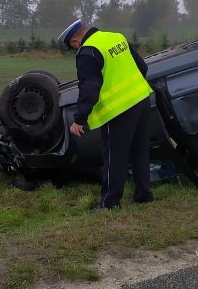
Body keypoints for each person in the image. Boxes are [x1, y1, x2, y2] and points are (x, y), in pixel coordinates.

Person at [57, 19, 154, 210]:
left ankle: (110, 202)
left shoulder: (87, 52)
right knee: (140, 150)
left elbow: (89, 89)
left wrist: (79, 119)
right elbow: (142, 67)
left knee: (114, 157)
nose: (75, 49)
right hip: (142, 99)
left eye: (72, 46)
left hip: (118, 110)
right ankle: (144, 195)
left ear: (76, 40)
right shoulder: (116, 37)